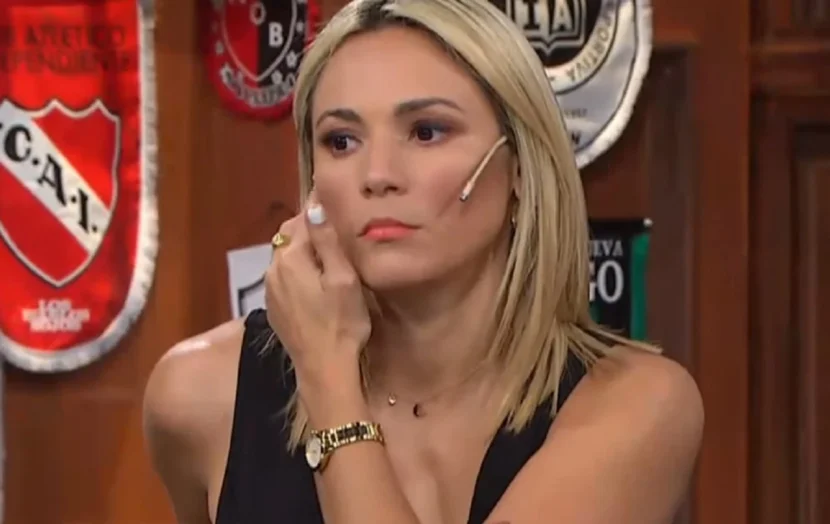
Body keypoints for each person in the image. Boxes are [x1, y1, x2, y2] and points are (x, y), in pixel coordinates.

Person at [143, 1, 704, 523]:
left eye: (426, 132)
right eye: (341, 141)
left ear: (518, 169)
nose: (377, 175)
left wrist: (329, 381)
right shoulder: (199, 395)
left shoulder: (638, 404)